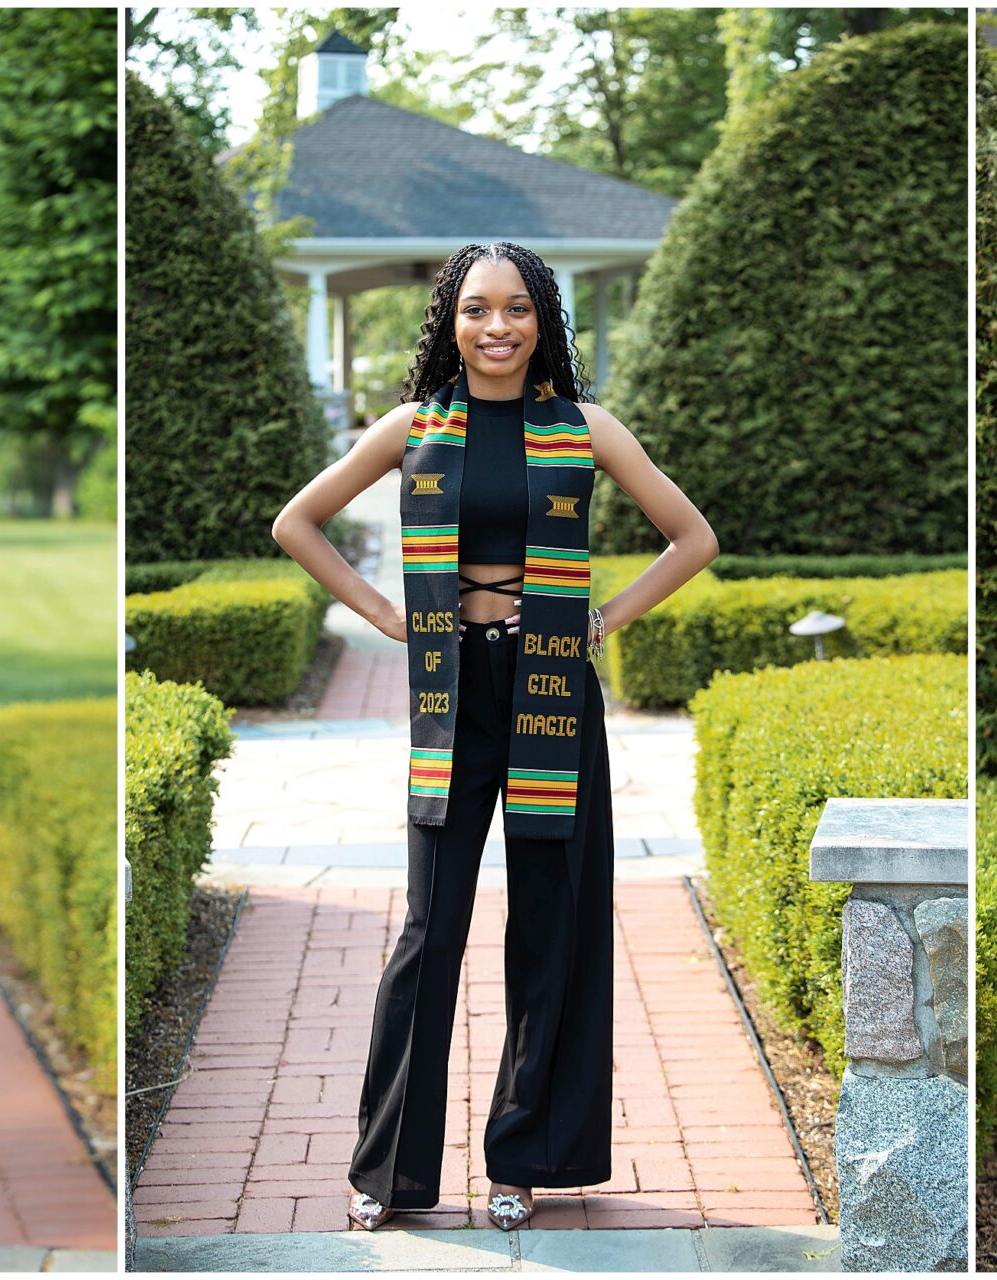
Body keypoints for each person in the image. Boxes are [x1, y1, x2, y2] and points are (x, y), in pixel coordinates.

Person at [273, 241, 719, 1231]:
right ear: (450, 320)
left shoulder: (583, 429)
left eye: (517, 308)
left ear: (542, 320)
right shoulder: (413, 426)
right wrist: (385, 612)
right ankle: (386, 1172)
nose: (498, 327)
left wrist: (604, 617)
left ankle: (524, 1159)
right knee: (430, 929)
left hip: (553, 685)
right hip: (450, 689)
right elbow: (296, 522)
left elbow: (692, 538)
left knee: (551, 923)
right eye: (477, 309)